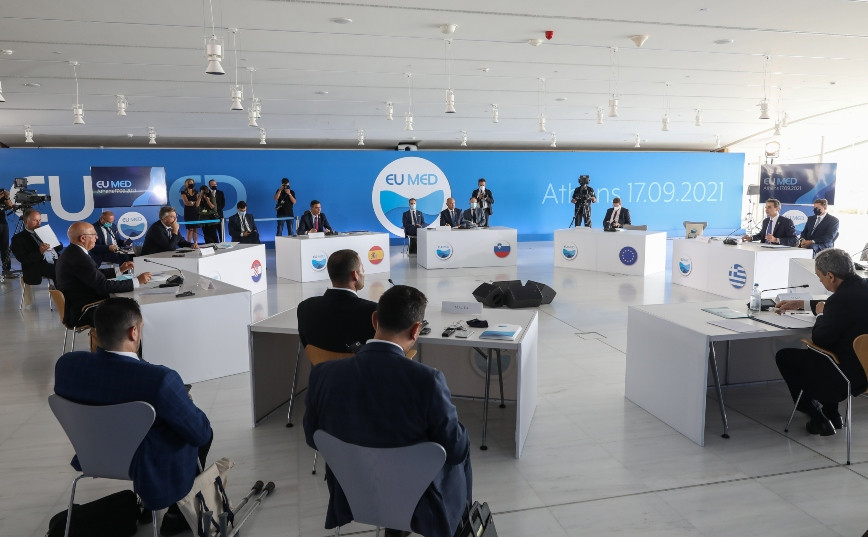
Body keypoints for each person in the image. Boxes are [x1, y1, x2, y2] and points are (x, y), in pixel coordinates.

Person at [303, 285, 472, 537]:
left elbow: (312, 438)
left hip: (352, 492)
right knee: (461, 443)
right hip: (419, 501)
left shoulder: (322, 375)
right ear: (416, 329)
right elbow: (456, 450)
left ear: (374, 320)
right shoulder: (428, 381)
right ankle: (461, 525)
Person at [54, 297, 213, 525]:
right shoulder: (160, 380)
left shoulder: (67, 367)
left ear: (97, 331)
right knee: (198, 429)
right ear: (134, 332)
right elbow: (200, 433)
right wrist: (185, 403)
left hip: (94, 454)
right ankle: (177, 515)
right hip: (145, 464)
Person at [774, 248, 868, 436]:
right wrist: (805, 304)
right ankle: (832, 413)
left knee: (786, 356)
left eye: (820, 277)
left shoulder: (840, 300)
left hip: (846, 376)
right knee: (830, 351)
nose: (820, 281)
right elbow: (839, 310)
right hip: (864, 372)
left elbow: (821, 338)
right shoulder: (861, 288)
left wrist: (821, 315)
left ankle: (815, 414)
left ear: (831, 276)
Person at [56, 222, 151, 327]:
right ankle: (116, 338)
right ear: (83, 238)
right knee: (131, 309)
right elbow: (104, 286)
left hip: (78, 305)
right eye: (94, 235)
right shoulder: (79, 258)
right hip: (84, 310)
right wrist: (137, 281)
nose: (96, 238)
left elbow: (94, 274)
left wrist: (120, 270)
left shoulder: (72, 252)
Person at [297, 249, 376, 353]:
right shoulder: (372, 311)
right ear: (355, 275)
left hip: (320, 363)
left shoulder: (304, 307)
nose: (364, 272)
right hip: (359, 364)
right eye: (362, 268)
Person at [10, 208, 61, 285]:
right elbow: (23, 259)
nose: (38, 223)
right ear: (26, 221)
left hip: (55, 259)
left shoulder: (45, 232)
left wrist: (54, 243)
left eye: (39, 220)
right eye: (35, 220)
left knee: (74, 264)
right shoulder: (18, 238)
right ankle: (63, 291)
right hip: (37, 265)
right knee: (61, 270)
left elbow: (59, 247)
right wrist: (40, 251)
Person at [180, 178, 200, 245]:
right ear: (187, 184)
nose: (191, 184)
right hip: (188, 212)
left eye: (192, 183)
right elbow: (186, 203)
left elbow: (197, 203)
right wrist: (194, 202)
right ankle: (188, 244)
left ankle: (195, 244)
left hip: (195, 212)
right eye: (190, 183)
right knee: (190, 229)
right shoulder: (183, 192)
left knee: (195, 229)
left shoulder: (196, 192)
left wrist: (192, 202)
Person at [0, 187, 13, 274]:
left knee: (5, 247)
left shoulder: (2, 193)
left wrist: (7, 197)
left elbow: (10, 206)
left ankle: (7, 270)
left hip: (3, 223)